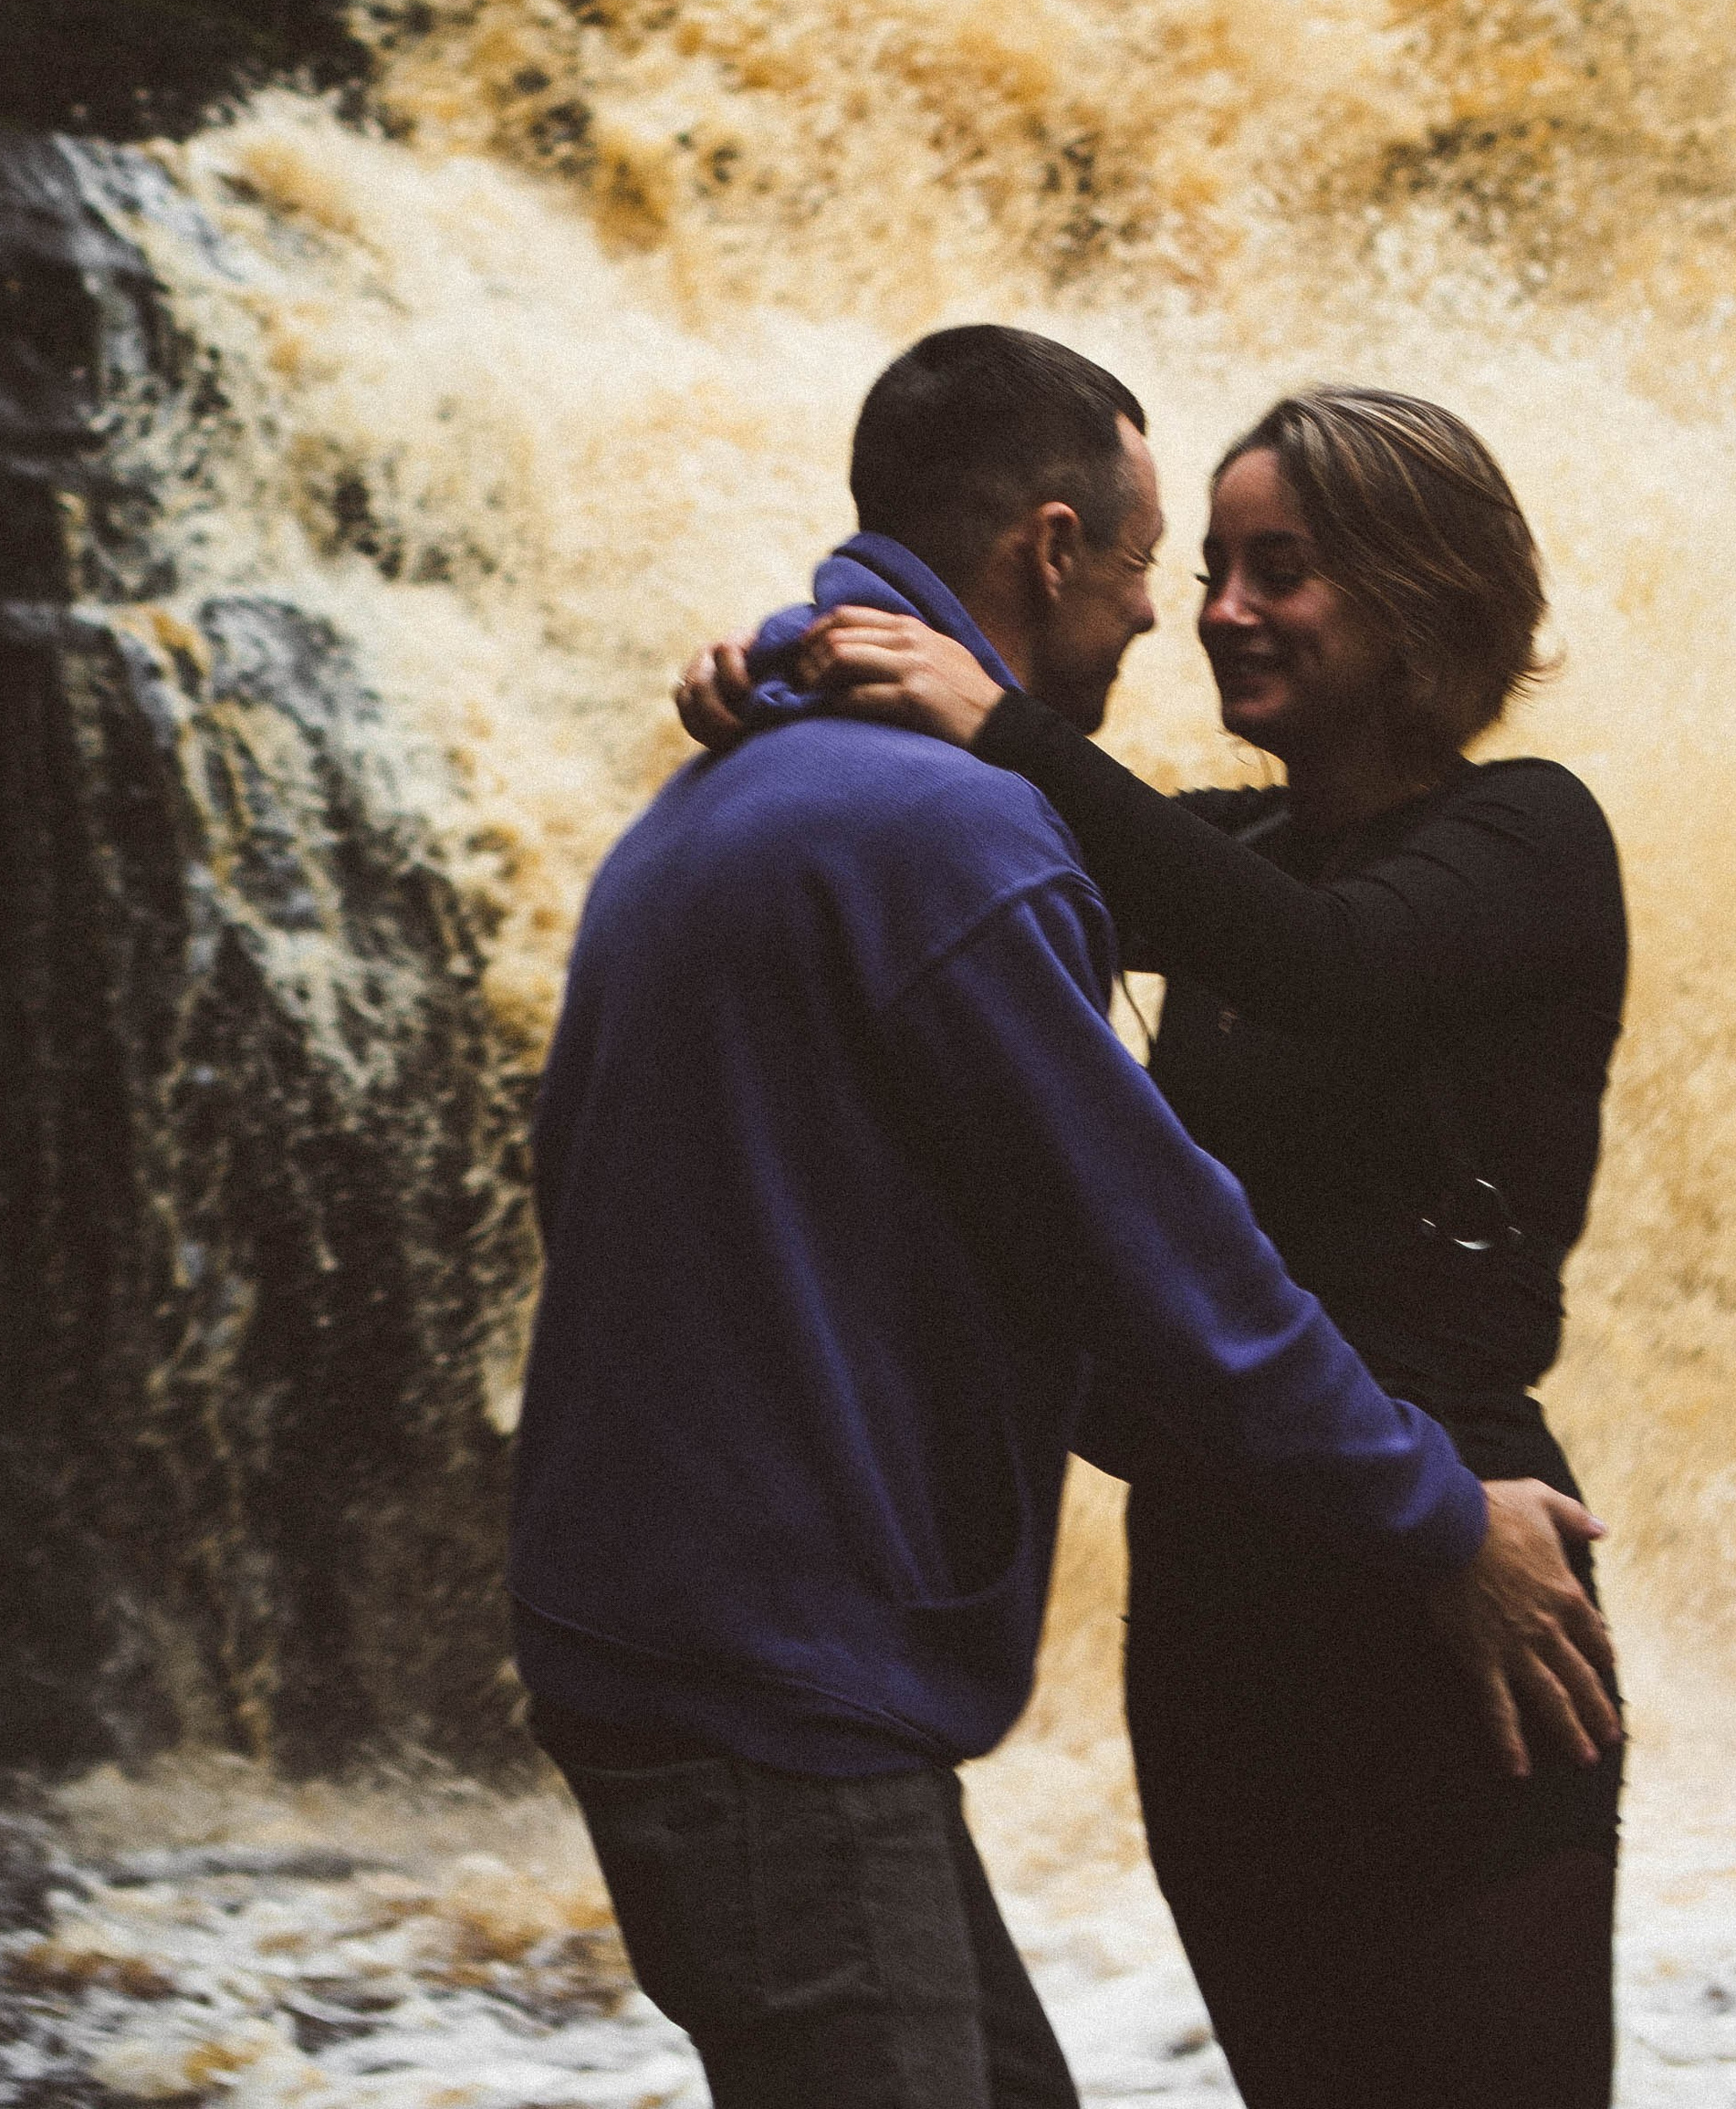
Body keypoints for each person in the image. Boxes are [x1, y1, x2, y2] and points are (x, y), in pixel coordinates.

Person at [521, 329, 1618, 2109]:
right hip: (1220, 1619)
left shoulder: (1519, 838)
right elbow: (975, 930)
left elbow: (1317, 977)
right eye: (1194, 569)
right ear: (1049, 552)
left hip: (1453, 1610)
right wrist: (797, 673)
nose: (1206, 613)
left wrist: (985, 716)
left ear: (1422, 594)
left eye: (1282, 568)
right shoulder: (1183, 858)